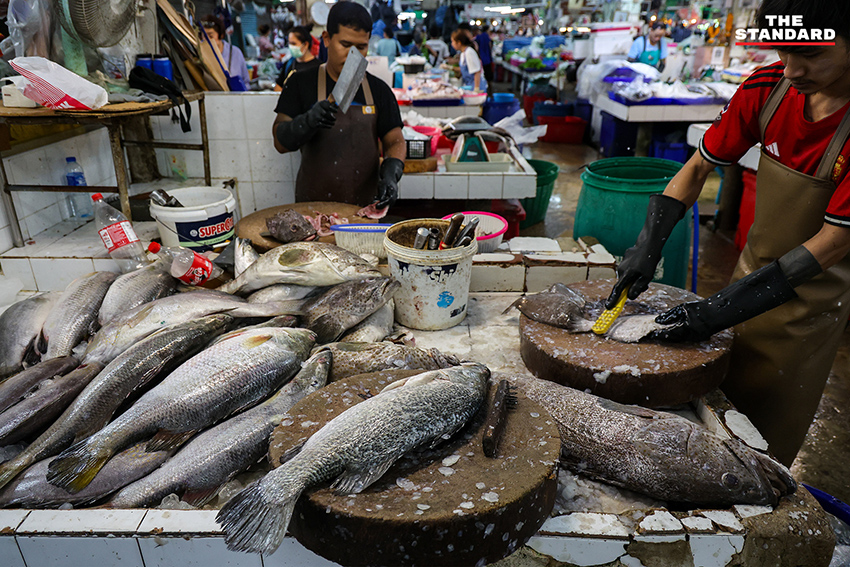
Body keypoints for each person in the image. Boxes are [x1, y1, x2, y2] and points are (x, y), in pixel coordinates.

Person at [605, 0, 850, 467]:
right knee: (708, 417)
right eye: (784, 51)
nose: (793, 69)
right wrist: (648, 243)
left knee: (760, 448)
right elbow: (699, 167)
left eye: (813, 55)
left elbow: (835, 241)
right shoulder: (767, 88)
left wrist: (715, 311)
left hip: (808, 308)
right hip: (748, 278)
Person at [272, 2, 405, 208]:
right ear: (326, 39)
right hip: (312, 211)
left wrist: (391, 172)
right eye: (345, 45)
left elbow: (394, 140)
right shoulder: (300, 83)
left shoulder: (378, 89)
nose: (353, 55)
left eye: (361, 47)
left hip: (363, 212)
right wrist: (307, 121)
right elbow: (280, 142)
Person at [201, 16, 250, 86]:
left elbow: (246, 81)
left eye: (211, 36)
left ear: (221, 35)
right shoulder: (201, 54)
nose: (207, 40)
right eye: (204, 36)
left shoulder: (235, 53)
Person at [475, 25, 494, 92]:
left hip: (480, 59)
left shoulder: (478, 37)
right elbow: (490, 46)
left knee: (482, 76)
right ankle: (490, 92)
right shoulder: (486, 36)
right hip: (487, 59)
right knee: (488, 78)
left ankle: (483, 90)